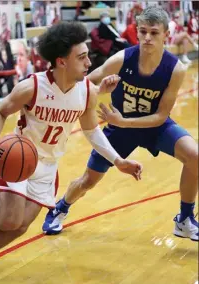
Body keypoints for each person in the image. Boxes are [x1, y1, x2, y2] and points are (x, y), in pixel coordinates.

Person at [0, 21, 142, 284]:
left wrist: (118, 160)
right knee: (9, 219)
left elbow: (91, 131)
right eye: (82, 57)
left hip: (48, 166)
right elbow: (0, 111)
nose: (89, 62)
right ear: (61, 62)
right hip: (19, 158)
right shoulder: (32, 87)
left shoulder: (87, 91)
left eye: (88, 54)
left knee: (19, 227)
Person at [42, 7, 199, 243]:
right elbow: (85, 84)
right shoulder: (122, 59)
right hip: (119, 131)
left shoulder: (175, 68)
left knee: (195, 156)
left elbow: (160, 115)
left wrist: (123, 120)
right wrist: (96, 89)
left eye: (154, 33)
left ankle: (185, 219)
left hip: (153, 127)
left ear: (166, 34)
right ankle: (61, 207)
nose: (146, 37)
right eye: (143, 31)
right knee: (88, 181)